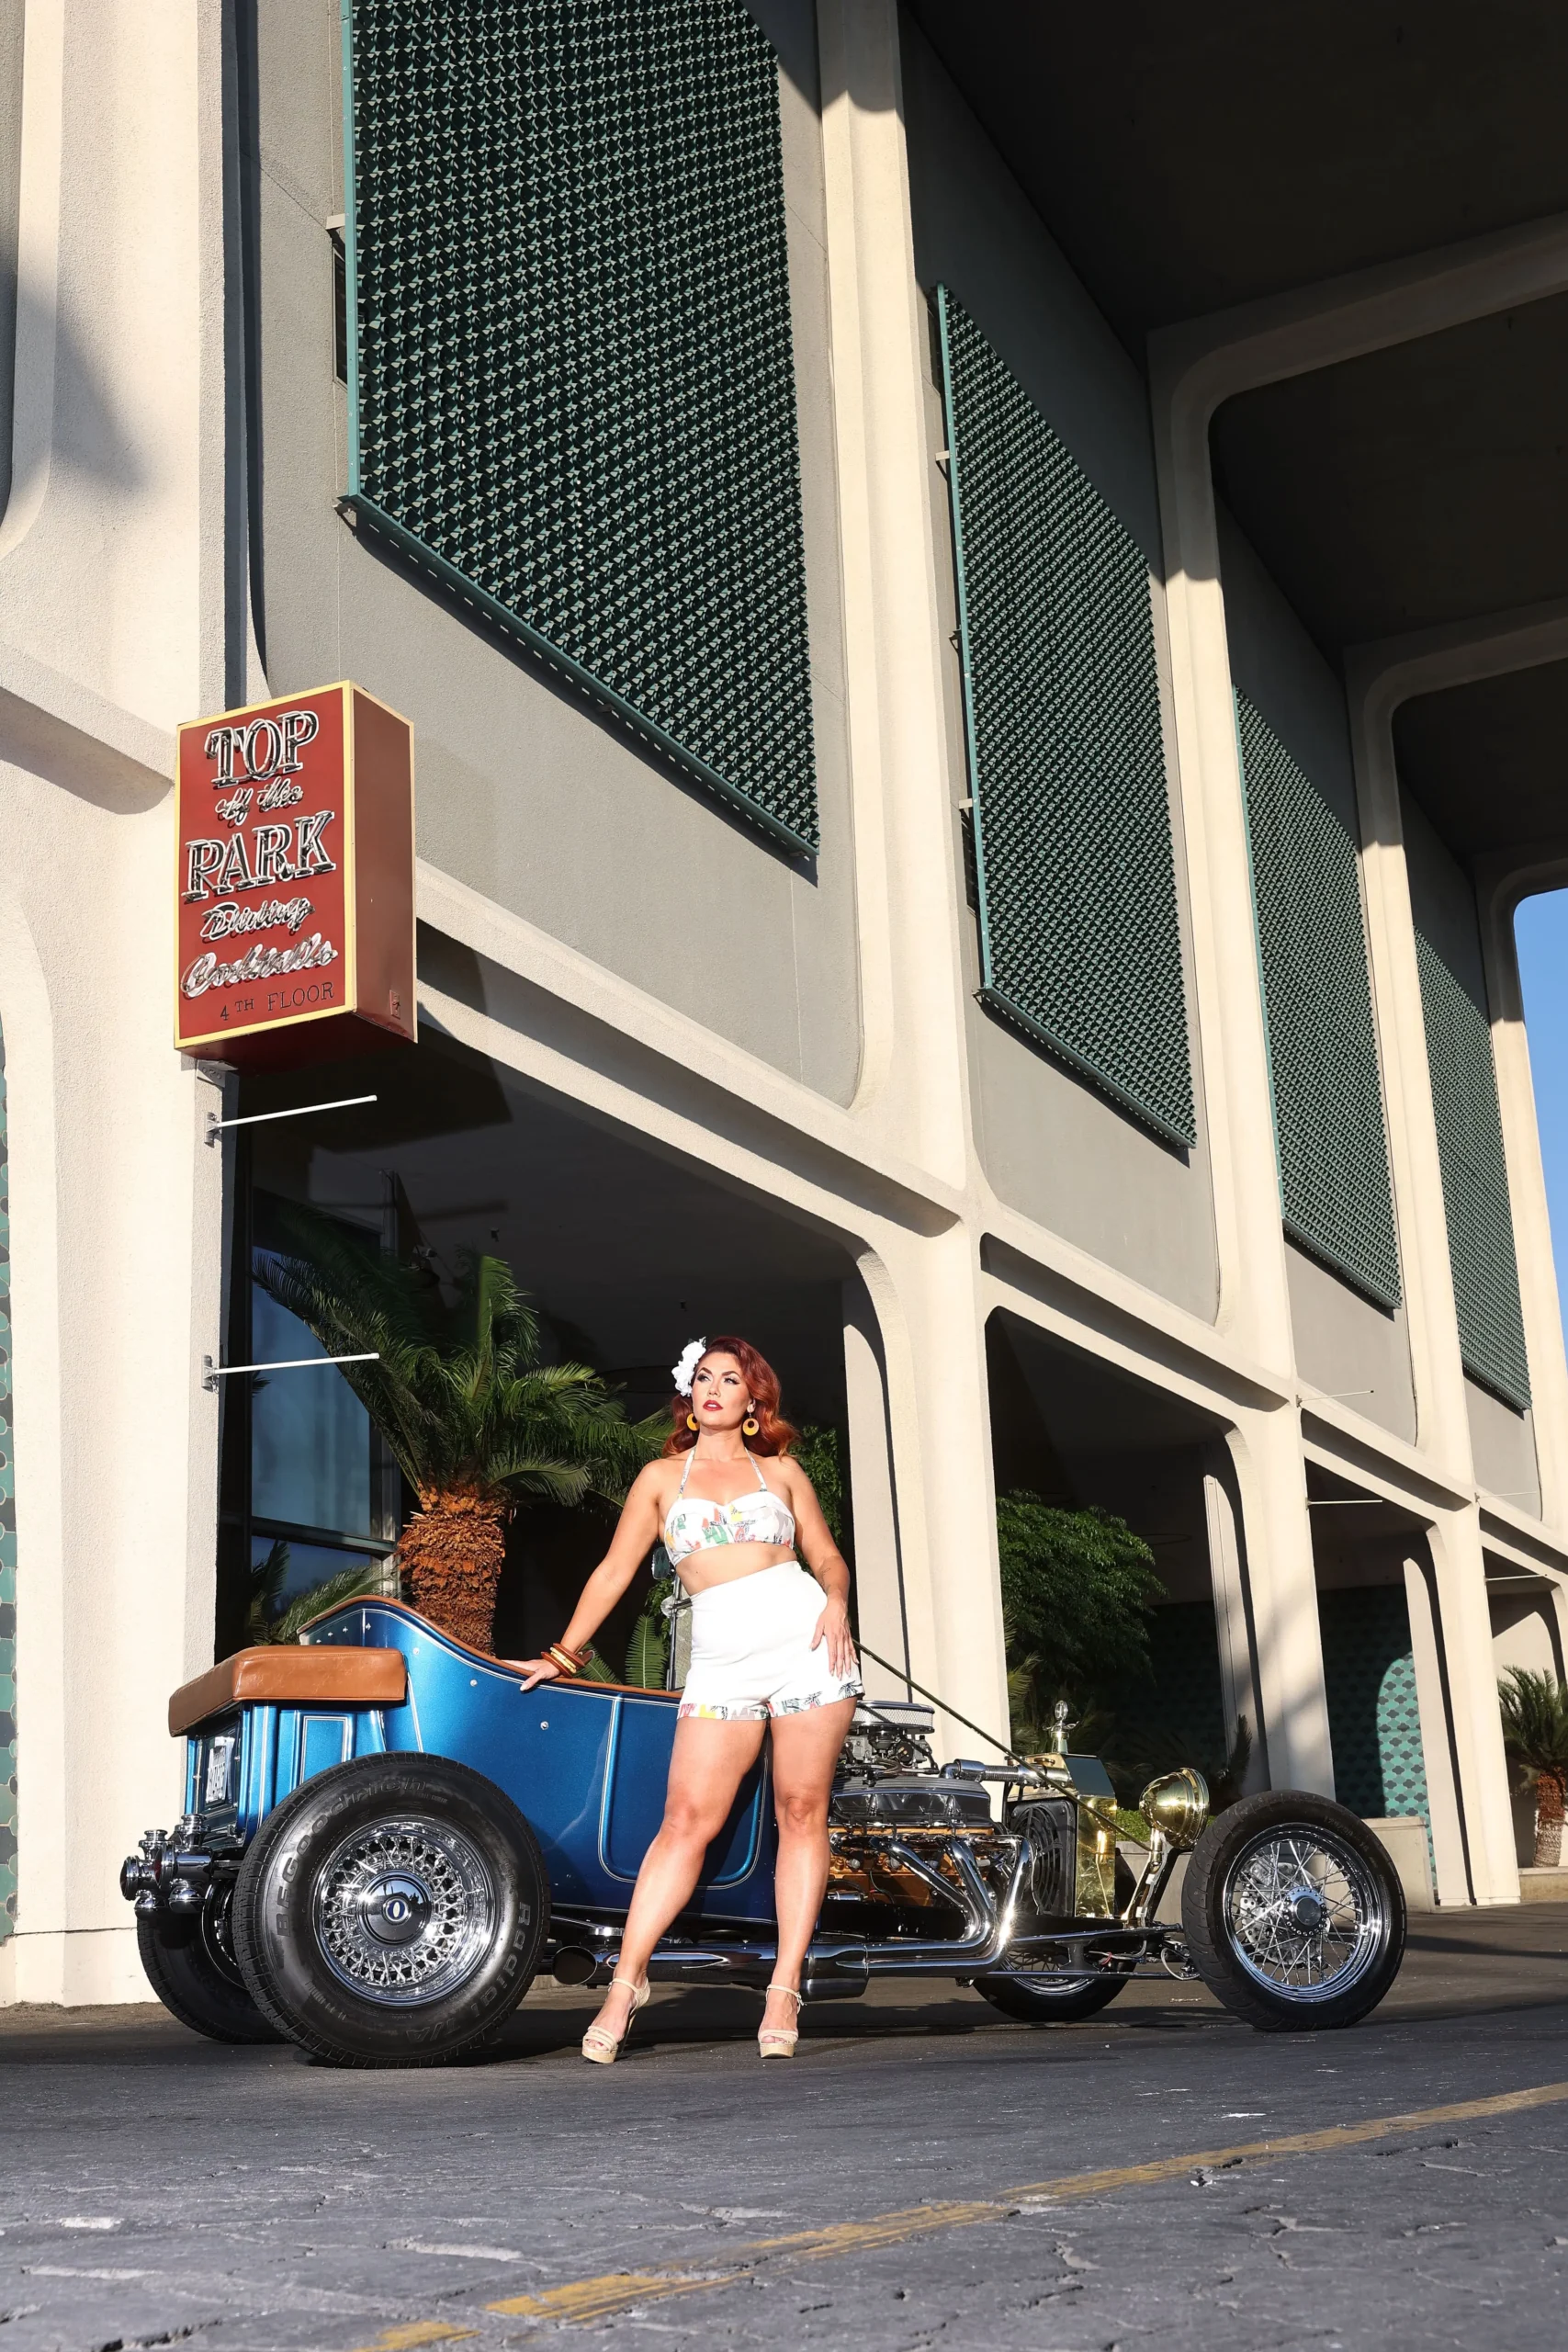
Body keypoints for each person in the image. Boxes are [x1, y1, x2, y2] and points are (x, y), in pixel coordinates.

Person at [519, 1335, 862, 2063]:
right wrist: (562, 1654)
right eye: (703, 1377)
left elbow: (826, 1556)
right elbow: (614, 1571)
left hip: (806, 1644)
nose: (713, 1388)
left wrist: (835, 1601)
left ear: (752, 1399)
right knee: (683, 1822)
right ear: (689, 1393)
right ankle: (625, 1984)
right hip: (721, 1660)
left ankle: (783, 1987)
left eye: (729, 1379)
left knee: (801, 1811)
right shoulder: (658, 1478)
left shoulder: (782, 1472)